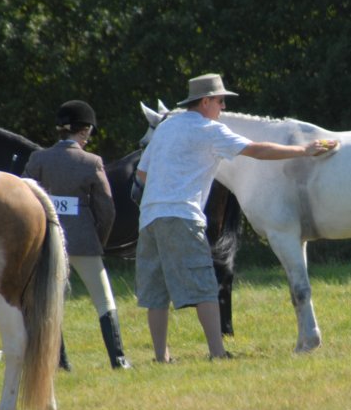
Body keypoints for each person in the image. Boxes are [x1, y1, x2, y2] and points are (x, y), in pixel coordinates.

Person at [135, 73, 337, 362]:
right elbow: (256, 150)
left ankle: (161, 357)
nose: (223, 109)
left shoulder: (166, 127)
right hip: (182, 214)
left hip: (150, 217)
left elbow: (142, 174)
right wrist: (304, 150)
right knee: (205, 286)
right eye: (220, 101)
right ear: (205, 102)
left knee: (156, 292)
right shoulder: (209, 130)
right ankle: (217, 353)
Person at [23, 100, 131, 370]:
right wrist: (99, 241)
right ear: (83, 131)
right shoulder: (91, 162)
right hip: (84, 241)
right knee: (103, 299)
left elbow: (23, 196)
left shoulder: (38, 159)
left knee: (50, 302)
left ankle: (59, 362)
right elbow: (106, 208)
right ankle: (118, 359)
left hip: (47, 241)